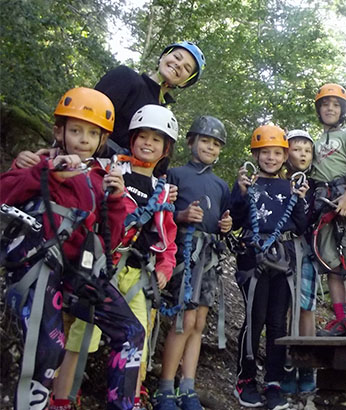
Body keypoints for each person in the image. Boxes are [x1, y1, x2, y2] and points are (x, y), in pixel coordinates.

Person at [0, 87, 144, 410]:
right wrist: (44, 173)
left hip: (79, 271)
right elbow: (4, 193)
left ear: (102, 140)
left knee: (131, 332)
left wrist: (117, 199)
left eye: (92, 133)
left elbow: (112, 237)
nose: (83, 138)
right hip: (39, 264)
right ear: (59, 131)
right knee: (50, 347)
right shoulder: (40, 161)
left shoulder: (99, 178)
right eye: (75, 129)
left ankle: (121, 404)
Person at [52, 104, 179, 409]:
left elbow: (168, 236)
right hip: (102, 267)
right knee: (81, 335)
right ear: (131, 139)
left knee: (137, 341)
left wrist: (166, 265)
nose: (147, 144)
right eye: (142, 137)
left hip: (138, 271)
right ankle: (62, 398)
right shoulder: (110, 170)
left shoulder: (162, 191)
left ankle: (129, 400)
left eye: (156, 140)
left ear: (165, 149)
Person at [13, 41, 205, 170]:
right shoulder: (126, 78)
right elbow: (84, 117)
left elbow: (159, 164)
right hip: (85, 163)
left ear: (185, 82)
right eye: (177, 57)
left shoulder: (165, 116)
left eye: (187, 68)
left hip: (122, 183)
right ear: (164, 57)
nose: (179, 65)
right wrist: (59, 148)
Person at [152, 115, 232, 410]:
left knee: (198, 322)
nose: (210, 148)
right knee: (182, 320)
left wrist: (226, 225)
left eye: (215, 144)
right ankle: (165, 388)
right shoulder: (175, 175)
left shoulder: (221, 186)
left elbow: (222, 220)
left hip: (209, 256)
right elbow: (159, 214)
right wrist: (181, 216)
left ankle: (187, 387)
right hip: (184, 253)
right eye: (205, 141)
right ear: (191, 142)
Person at [231, 124, 309, 410]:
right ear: (255, 154)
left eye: (277, 153)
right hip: (254, 254)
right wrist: (240, 193)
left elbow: (301, 225)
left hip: (284, 256)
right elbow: (236, 220)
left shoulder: (290, 186)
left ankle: (273, 381)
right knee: (255, 317)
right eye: (265, 153)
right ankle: (246, 380)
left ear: (284, 156)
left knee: (278, 321)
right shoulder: (248, 184)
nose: (271, 158)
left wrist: (299, 200)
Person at [309, 83, 346, 337]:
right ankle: (340, 319)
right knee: (330, 262)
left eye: (335, 105)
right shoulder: (314, 142)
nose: (330, 108)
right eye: (325, 104)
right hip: (324, 201)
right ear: (319, 110)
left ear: (342, 110)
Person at [280, 129, 317, 393]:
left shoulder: (315, 183)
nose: (302, 154)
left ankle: (307, 366)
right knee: (282, 306)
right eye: (296, 149)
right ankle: (285, 365)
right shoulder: (277, 181)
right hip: (281, 248)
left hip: (307, 248)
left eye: (307, 150)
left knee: (306, 307)